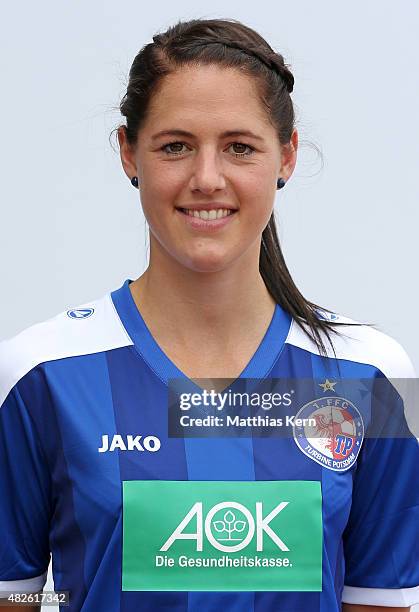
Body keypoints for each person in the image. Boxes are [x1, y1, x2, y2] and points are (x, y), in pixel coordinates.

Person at [0, 17, 418, 612]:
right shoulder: (40, 373)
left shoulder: (370, 376)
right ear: (128, 154)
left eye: (239, 147)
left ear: (287, 156)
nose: (206, 179)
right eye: (175, 146)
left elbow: (378, 601)